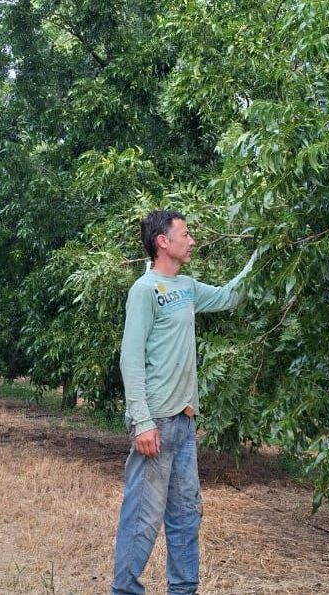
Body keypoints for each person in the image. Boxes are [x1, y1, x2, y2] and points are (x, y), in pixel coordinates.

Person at [111, 210, 256, 595]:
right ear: (163, 241)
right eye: (186, 234)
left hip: (184, 421)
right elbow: (131, 356)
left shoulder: (188, 287)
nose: (191, 241)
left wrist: (263, 257)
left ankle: (184, 590)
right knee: (142, 519)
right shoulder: (145, 290)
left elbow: (230, 296)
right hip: (155, 422)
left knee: (186, 516)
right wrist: (141, 420)